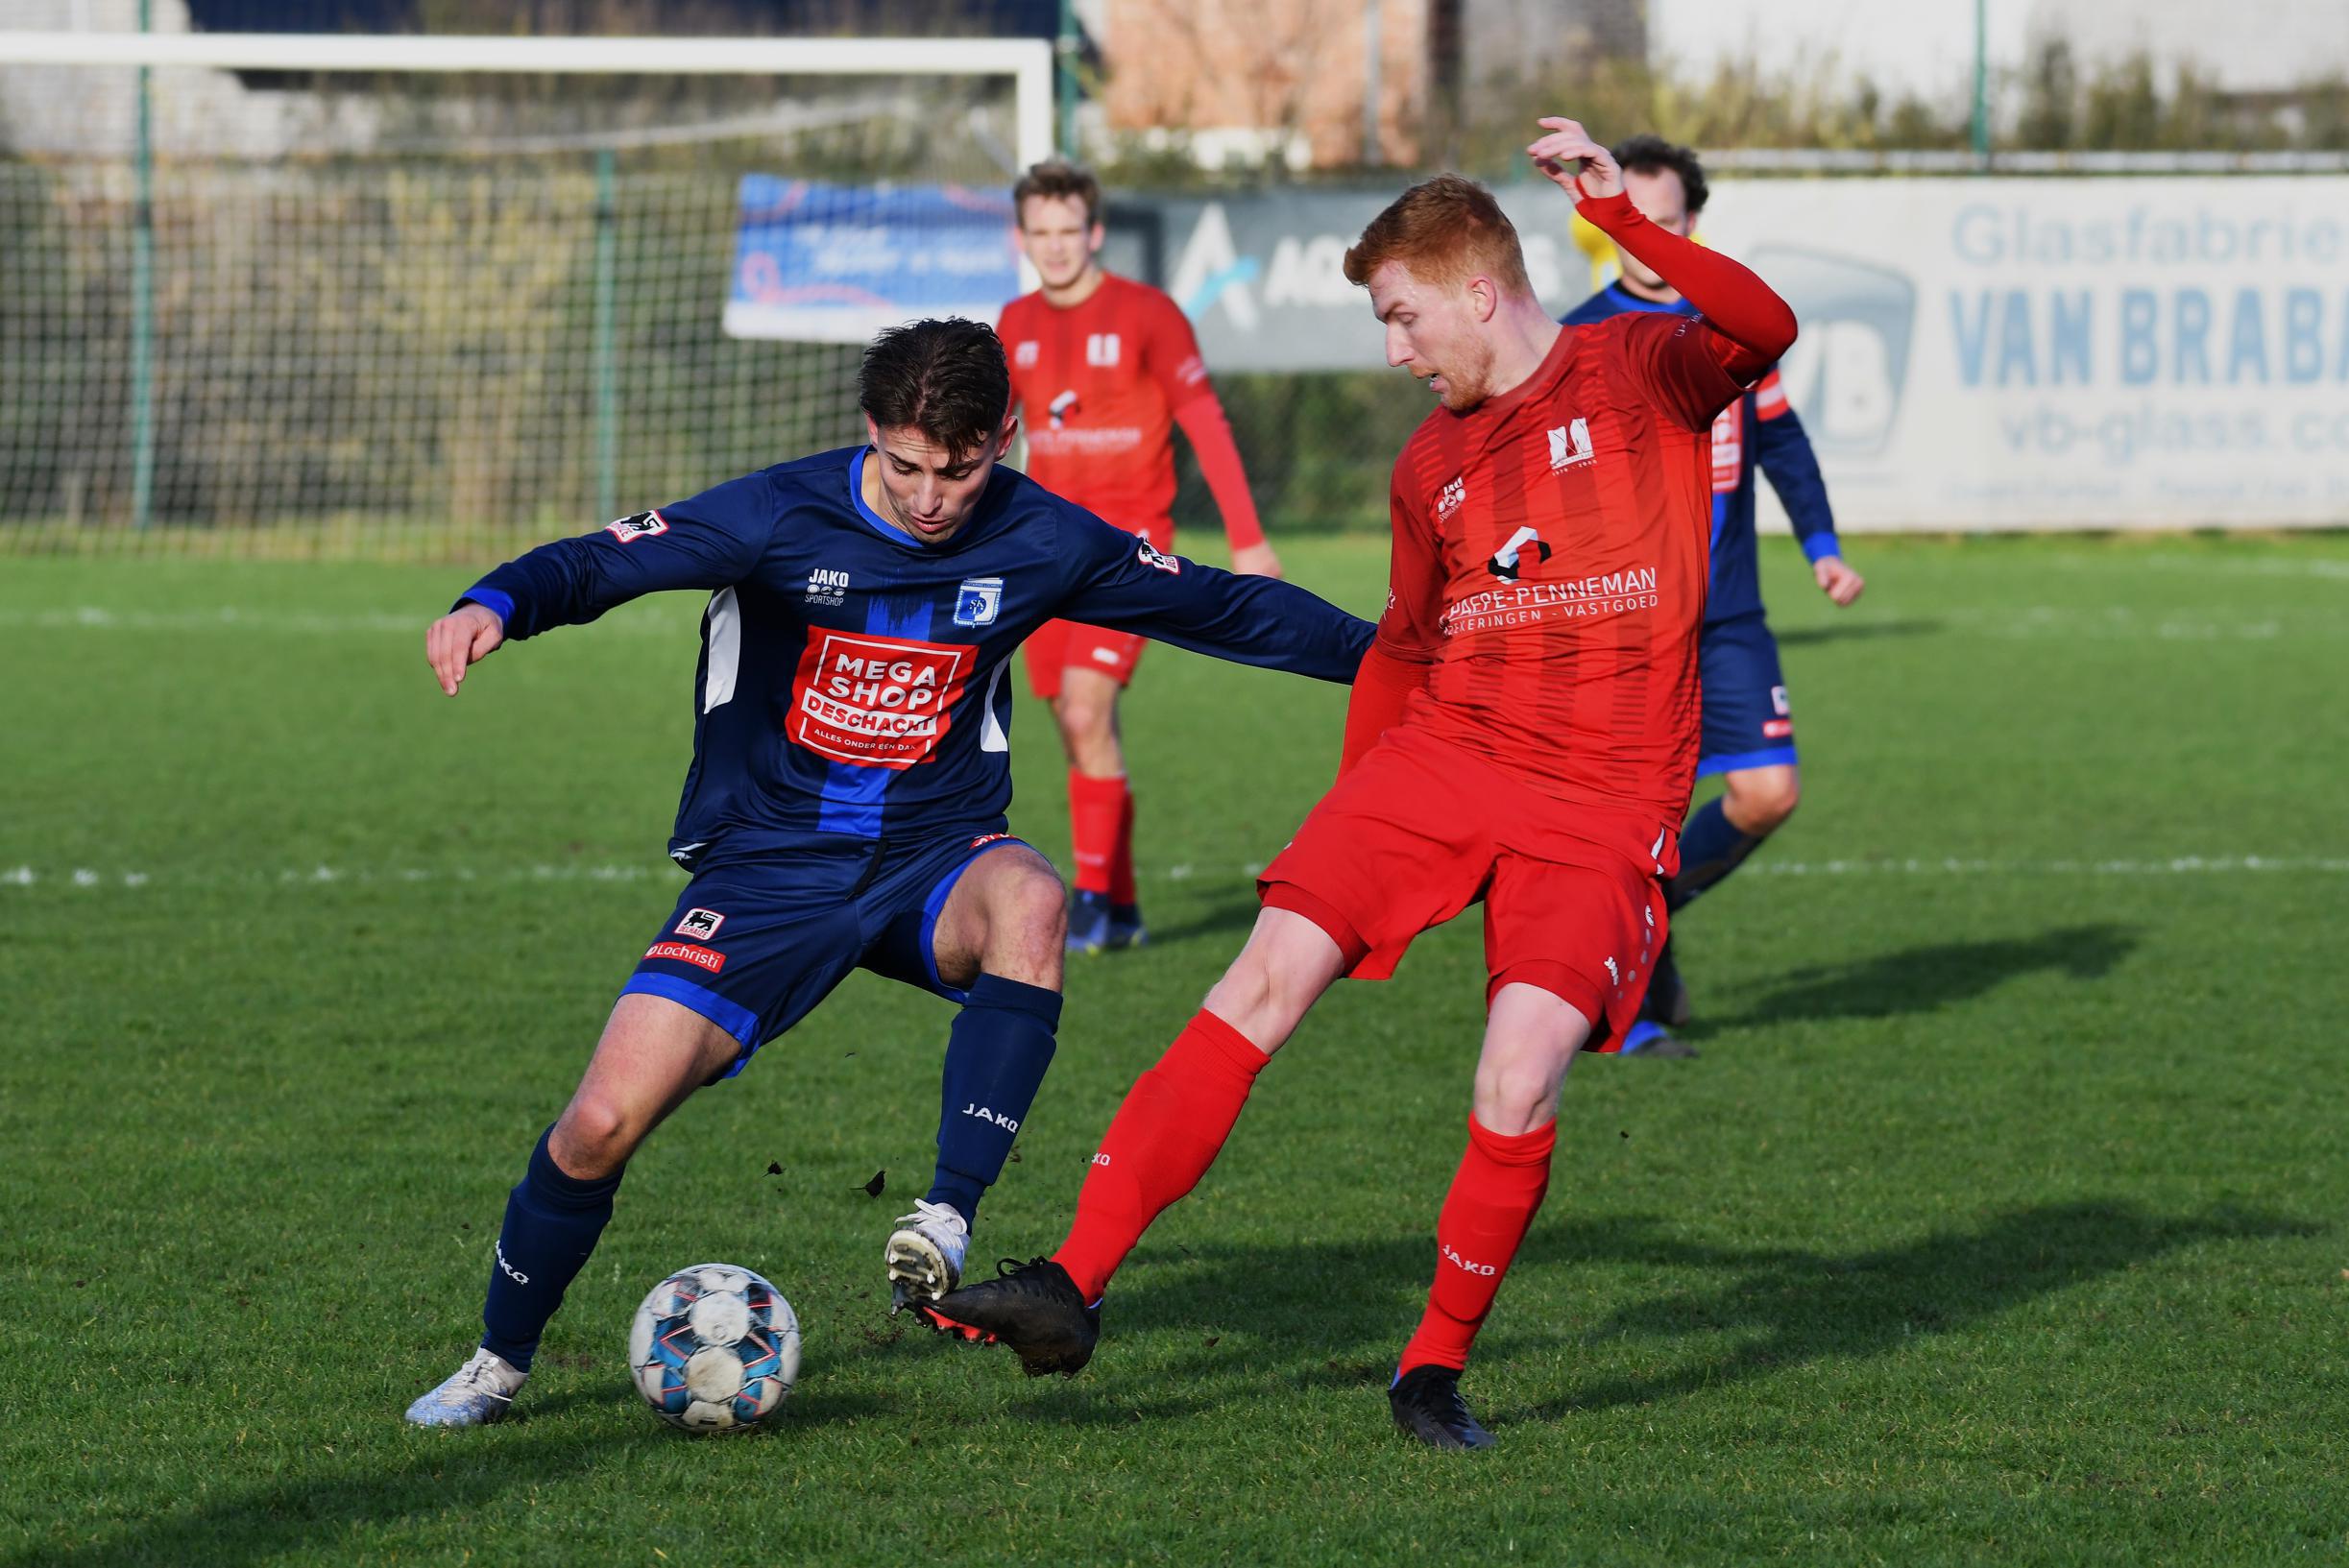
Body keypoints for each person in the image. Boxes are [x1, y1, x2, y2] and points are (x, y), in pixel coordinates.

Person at [915, 121, 1798, 1451]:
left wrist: (1628, 225)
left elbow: (1764, 319)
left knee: (1518, 1080)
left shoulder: (1641, 367)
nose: (1392, 351)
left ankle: (1429, 1372)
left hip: (1604, 803)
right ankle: (1071, 1280)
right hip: (1442, 763)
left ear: (1475, 289)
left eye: (1399, 318)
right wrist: (1349, 817)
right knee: (1261, 974)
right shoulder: (1427, 467)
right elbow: (1402, 649)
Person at [403, 317, 1371, 1428]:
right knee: (596, 1125)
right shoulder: (779, 513)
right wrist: (496, 602)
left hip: (935, 855)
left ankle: (948, 1217)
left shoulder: (1041, 537)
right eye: (906, 466)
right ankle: (496, 1362)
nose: (929, 498)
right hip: (769, 866)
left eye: (958, 471)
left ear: (1003, 438)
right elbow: (603, 561)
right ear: (871, 432)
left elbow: (1224, 604)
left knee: (1034, 900)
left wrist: (1394, 653)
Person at [1562, 134, 1864, 1057]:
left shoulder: (1732, 323)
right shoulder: (1578, 336)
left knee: (1768, 791)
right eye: (1634, 222)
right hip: (1629, 623)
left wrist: (1821, 545)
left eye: (1668, 222)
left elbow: (1783, 441)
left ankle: (1654, 909)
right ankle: (1632, 1016)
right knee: (1634, 819)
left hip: (1728, 610)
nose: (1649, 237)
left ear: (1693, 223)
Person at [1000, 159, 1282, 954]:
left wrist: (1248, 539)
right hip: (1047, 549)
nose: (1056, 248)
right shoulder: (1013, 324)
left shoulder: (1148, 313)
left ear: (1093, 232)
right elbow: (996, 439)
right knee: (1074, 726)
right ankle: (1120, 907)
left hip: (1130, 545)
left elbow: (1206, 421)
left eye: (1069, 231)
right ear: (1023, 238)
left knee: (1089, 711)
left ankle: (1089, 903)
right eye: (1040, 233)